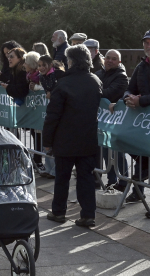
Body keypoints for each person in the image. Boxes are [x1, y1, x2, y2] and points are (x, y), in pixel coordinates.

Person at [43, 44, 102, 227]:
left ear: (71, 61)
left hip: (65, 139)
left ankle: (59, 212)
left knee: (63, 177)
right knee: (86, 178)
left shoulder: (64, 84)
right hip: (88, 138)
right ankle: (88, 214)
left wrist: (47, 141)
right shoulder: (95, 81)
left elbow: (53, 116)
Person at [95, 49, 129, 192]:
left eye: (114, 59)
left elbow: (108, 93)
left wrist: (92, 92)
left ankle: (124, 182)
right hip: (101, 119)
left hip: (116, 120)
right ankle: (111, 180)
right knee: (104, 150)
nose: (109, 60)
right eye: (107, 57)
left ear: (119, 62)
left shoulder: (121, 77)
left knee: (118, 153)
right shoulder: (98, 74)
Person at [122, 30, 150, 203]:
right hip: (142, 122)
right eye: (146, 42)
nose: (148, 45)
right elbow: (129, 88)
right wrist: (128, 98)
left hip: (144, 114)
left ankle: (137, 189)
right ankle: (138, 191)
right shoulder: (141, 66)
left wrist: (142, 101)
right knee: (138, 151)